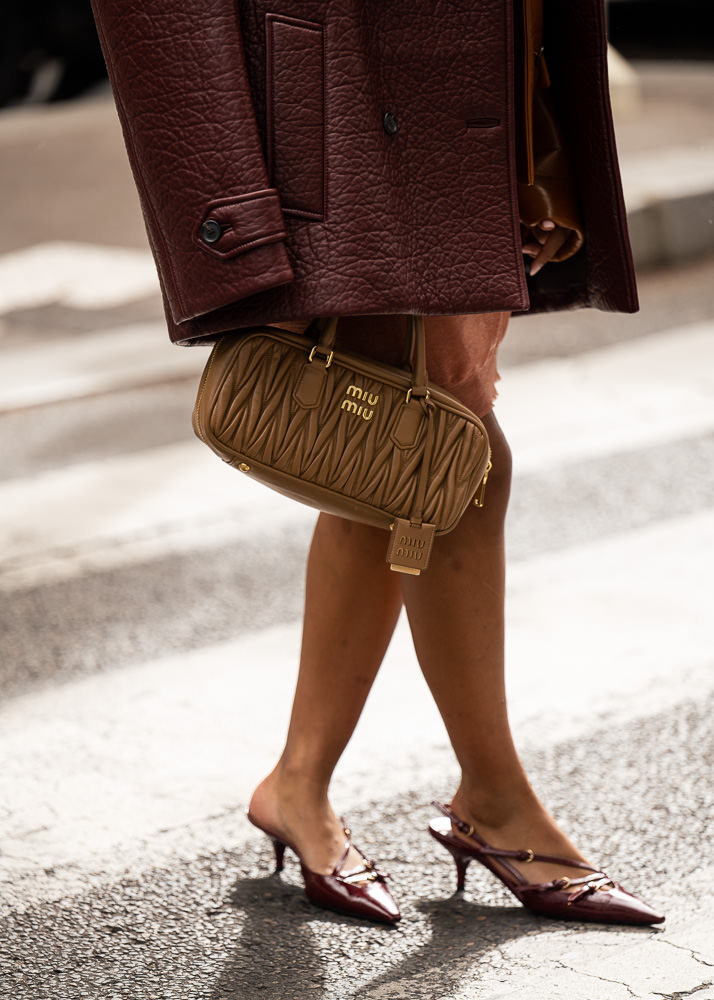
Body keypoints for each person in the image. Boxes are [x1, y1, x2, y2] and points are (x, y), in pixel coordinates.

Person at [90, 0, 664, 926]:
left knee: (434, 451)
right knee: (429, 449)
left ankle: (319, 783)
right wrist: (235, 202)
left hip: (462, 94)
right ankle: (471, 796)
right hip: (356, 109)